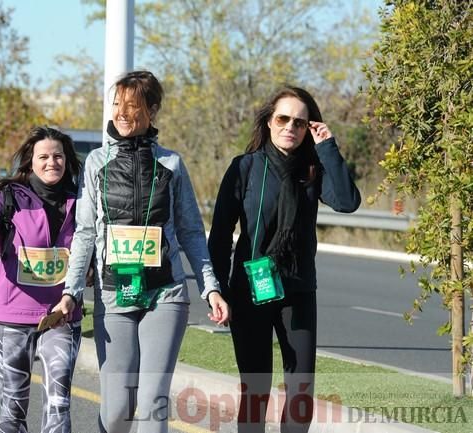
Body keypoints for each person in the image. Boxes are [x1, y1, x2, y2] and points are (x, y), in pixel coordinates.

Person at [63, 70, 230, 433]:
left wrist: (211, 287)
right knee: (119, 408)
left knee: (153, 407)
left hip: (165, 294)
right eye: (116, 104)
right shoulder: (96, 164)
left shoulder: (172, 164)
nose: (121, 113)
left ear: (152, 111)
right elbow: (86, 233)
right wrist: (70, 291)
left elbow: (190, 232)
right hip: (114, 293)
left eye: (132, 105)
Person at [208, 86, 361, 433]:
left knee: (300, 392)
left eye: (300, 122)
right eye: (283, 119)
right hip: (250, 289)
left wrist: (327, 147)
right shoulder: (245, 168)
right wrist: (215, 290)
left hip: (298, 288)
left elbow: (347, 201)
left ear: (309, 128)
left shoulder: (312, 170)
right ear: (269, 121)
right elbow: (219, 236)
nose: (291, 127)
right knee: (256, 391)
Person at [0, 126, 82, 433]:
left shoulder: (81, 202)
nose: (52, 162)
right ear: (30, 162)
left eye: (58, 156)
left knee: (59, 401)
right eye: (44, 156)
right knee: (13, 408)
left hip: (60, 316)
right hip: (11, 318)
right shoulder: (10, 197)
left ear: (67, 160)